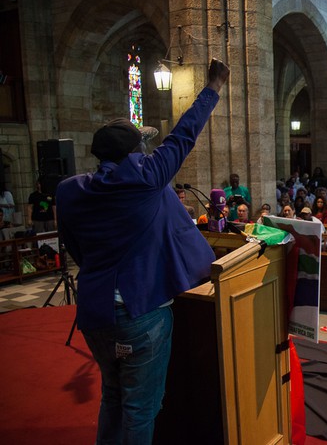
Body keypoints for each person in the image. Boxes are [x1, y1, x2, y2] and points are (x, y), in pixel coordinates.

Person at [56, 59, 229, 444]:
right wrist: (213, 85)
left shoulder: (69, 191)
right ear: (135, 153)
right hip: (140, 313)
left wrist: (104, 270)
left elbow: (72, 244)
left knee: (113, 397)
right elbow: (185, 134)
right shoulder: (147, 178)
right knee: (141, 408)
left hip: (95, 311)